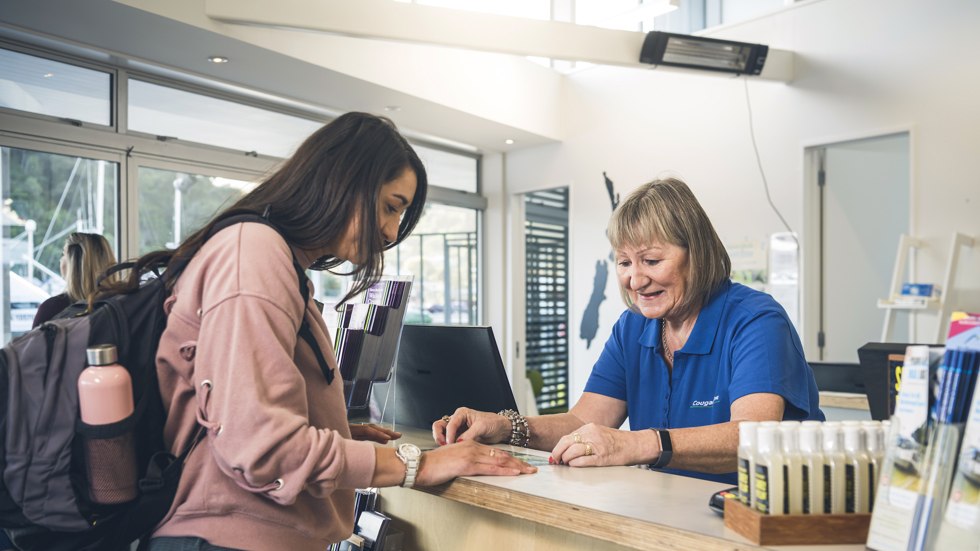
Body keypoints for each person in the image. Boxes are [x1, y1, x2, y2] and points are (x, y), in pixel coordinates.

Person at [93, 113, 535, 551]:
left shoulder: (279, 263)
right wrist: (414, 463)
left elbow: (245, 420)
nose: (390, 231)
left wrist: (327, 428)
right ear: (344, 181)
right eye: (389, 206)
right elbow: (261, 449)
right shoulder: (256, 255)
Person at [434, 177, 824, 484]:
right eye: (623, 262)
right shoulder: (633, 327)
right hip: (670, 511)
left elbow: (752, 436)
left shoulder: (756, 320)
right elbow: (582, 423)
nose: (635, 280)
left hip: (761, 517)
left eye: (651, 260)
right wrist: (507, 426)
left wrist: (637, 443)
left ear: (698, 253)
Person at [32, 232, 117, 327]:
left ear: (74, 265)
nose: (61, 260)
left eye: (63, 254)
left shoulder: (51, 309)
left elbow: (32, 341)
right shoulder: (122, 306)